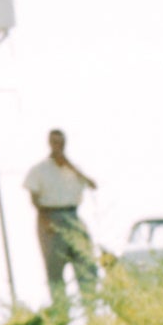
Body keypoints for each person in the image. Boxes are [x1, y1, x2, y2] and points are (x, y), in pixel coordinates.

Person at [27, 130, 99, 315]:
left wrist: (70, 166)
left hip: (73, 216)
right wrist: (45, 222)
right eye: (55, 142)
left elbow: (92, 185)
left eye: (61, 142)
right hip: (50, 216)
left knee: (86, 264)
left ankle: (91, 312)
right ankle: (61, 314)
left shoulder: (73, 168)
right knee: (55, 270)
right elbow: (34, 198)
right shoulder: (39, 169)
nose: (58, 146)